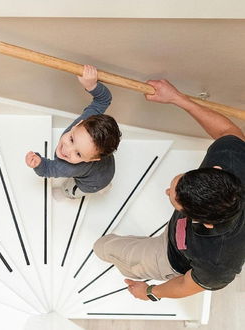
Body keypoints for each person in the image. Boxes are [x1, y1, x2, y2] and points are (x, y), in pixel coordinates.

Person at [93, 79, 245, 301]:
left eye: (175, 200)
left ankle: (126, 263)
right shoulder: (233, 161)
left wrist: (149, 292)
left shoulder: (217, 262)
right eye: (177, 184)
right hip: (180, 235)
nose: (167, 192)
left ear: (207, 223)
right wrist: (177, 98)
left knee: (102, 247)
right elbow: (226, 131)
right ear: (216, 169)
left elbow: (186, 284)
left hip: (171, 257)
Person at [25, 65, 121, 199]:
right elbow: (103, 100)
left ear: (92, 159)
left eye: (78, 154)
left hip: (93, 183)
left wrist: (39, 164)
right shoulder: (87, 123)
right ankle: (105, 185)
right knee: (101, 178)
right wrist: (91, 85)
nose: (67, 150)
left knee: (72, 190)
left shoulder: (68, 167)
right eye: (71, 139)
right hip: (107, 168)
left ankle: (70, 193)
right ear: (79, 123)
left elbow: (48, 169)